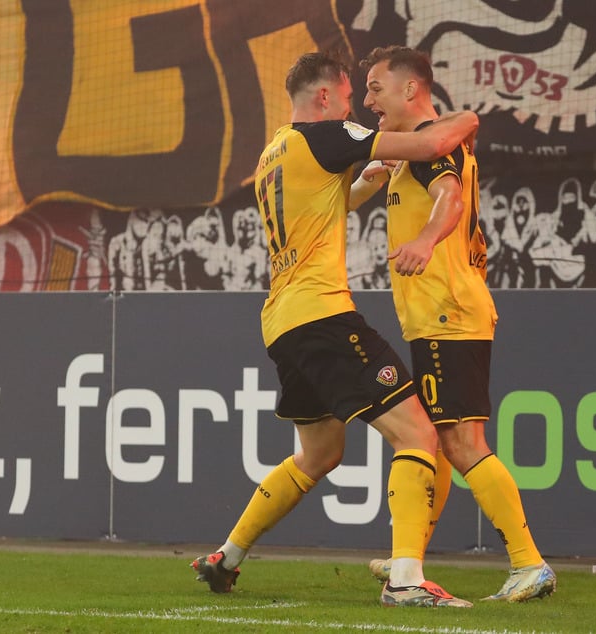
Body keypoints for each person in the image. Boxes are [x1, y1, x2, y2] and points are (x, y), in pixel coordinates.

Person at [191, 51, 480, 608]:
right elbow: (427, 146)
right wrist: (468, 120)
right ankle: (405, 580)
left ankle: (225, 558)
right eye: (352, 96)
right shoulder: (328, 133)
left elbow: (330, 204)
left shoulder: (275, 150)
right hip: (322, 315)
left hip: (281, 322)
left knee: (317, 456)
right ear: (325, 98)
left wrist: (369, 181)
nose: (361, 107)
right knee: (419, 434)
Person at [350, 45, 556, 602]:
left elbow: (450, 199)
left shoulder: (431, 145)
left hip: (447, 311)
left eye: (375, 87)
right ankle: (407, 559)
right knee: (440, 441)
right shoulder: (417, 148)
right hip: (440, 312)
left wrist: (423, 239)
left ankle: (528, 562)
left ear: (411, 89)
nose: (368, 101)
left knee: (463, 443)